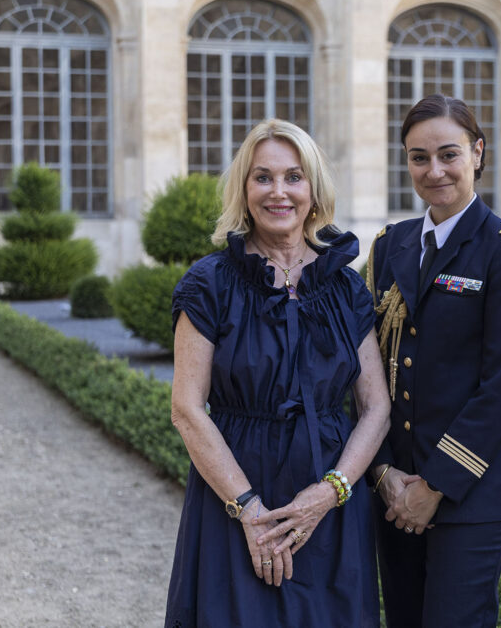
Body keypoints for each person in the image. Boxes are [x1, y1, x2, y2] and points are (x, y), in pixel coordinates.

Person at [163, 118, 391, 628]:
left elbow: (375, 408)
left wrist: (330, 491)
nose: (278, 192)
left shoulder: (346, 289)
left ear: (313, 189)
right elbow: (186, 408)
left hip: (330, 501)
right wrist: (249, 511)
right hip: (236, 496)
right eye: (262, 177)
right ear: (244, 190)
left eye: (293, 177)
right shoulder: (209, 284)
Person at [366, 94, 501, 628]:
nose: (434, 170)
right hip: (395, 491)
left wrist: (435, 485)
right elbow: (367, 370)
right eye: (419, 157)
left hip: (469, 497)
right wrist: (383, 475)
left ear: (478, 153)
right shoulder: (388, 246)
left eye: (449, 154)